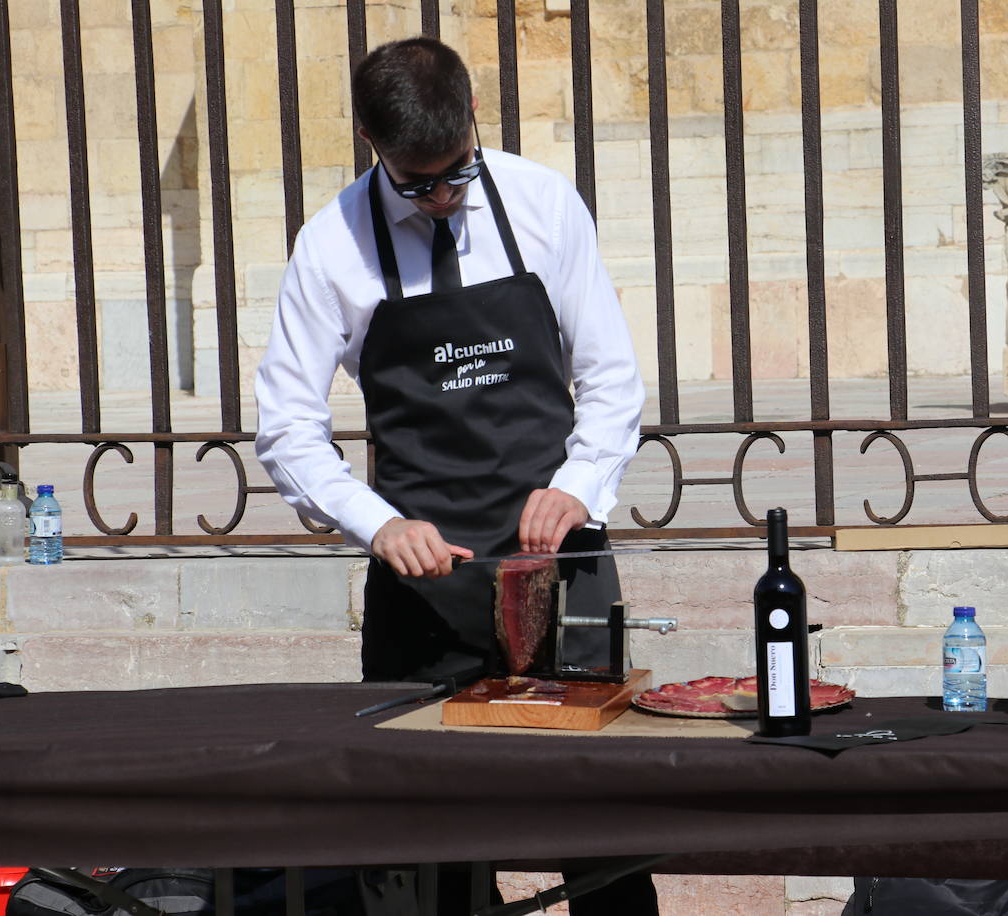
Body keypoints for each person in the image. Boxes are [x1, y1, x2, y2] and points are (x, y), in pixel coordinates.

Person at [254, 37, 654, 915]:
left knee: (605, 833)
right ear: (370, 143)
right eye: (414, 183)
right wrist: (378, 524)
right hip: (423, 590)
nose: (438, 199)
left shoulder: (546, 204)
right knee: (427, 838)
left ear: (475, 121)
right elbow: (286, 426)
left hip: (564, 567)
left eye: (454, 176)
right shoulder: (330, 247)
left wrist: (578, 485)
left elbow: (613, 378)